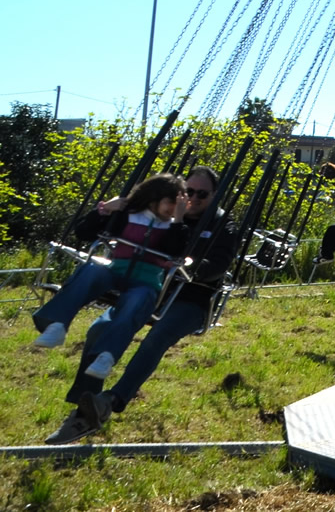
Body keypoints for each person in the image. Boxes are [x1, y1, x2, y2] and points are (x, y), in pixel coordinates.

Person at [45, 166, 244, 444]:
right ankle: (84, 410)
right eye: (188, 192)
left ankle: (111, 400)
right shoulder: (163, 212)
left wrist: (190, 266)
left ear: (214, 196)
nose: (194, 198)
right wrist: (109, 211)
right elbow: (110, 231)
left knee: (156, 338)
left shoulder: (224, 226)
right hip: (149, 289)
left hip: (191, 298)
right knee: (99, 330)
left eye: (202, 194)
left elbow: (218, 266)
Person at [32, 175, 189, 365]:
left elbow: (173, 250)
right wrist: (105, 210)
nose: (174, 208)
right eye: (171, 202)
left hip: (145, 283)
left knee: (137, 301)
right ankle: (56, 324)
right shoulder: (127, 216)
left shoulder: (176, 228)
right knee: (91, 270)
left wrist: (178, 221)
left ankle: (105, 355)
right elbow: (83, 233)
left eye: (179, 204)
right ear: (153, 198)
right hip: (116, 271)